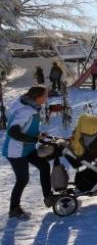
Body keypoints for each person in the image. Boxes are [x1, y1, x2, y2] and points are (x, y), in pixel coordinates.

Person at [2, 86, 56, 219]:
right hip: (16, 151)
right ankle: (14, 209)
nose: (46, 98)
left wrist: (38, 135)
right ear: (37, 97)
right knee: (22, 180)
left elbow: (24, 126)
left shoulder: (25, 104)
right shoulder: (27, 111)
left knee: (44, 166)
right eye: (45, 95)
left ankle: (48, 197)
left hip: (27, 148)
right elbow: (13, 132)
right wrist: (33, 139)